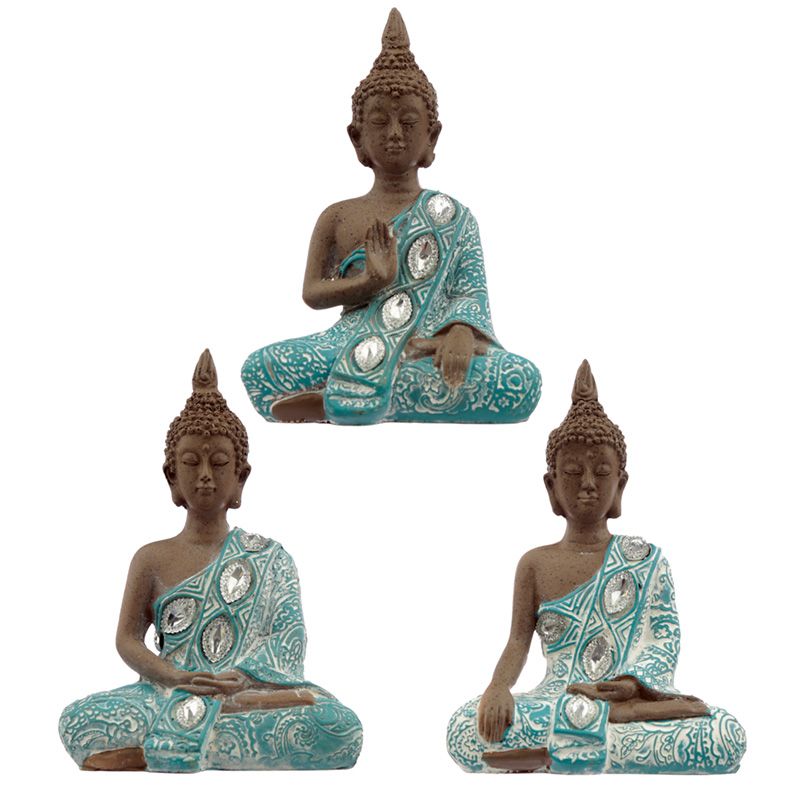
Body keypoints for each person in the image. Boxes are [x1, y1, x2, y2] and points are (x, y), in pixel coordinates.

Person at [59, 350, 362, 771]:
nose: (204, 474)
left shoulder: (270, 557)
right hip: (167, 691)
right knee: (77, 720)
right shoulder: (151, 558)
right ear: (171, 476)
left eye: (219, 463)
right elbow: (127, 641)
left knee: (338, 726)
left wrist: (242, 678)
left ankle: (160, 746)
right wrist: (173, 677)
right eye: (190, 463)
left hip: (242, 695)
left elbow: (289, 639)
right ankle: (204, 741)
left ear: (240, 477)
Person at [241, 9, 540, 424]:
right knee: (260, 369)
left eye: (409, 122)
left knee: (520, 380)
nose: (395, 133)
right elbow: (312, 292)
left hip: (424, 347)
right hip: (345, 341)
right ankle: (376, 392)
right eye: (380, 122)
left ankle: (337, 399)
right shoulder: (338, 216)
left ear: (432, 137)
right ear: (357, 138)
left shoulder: (453, 217)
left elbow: (469, 297)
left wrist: (459, 333)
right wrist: (369, 283)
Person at [446, 361, 746, 773]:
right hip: (557, 698)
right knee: (466, 728)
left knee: (722, 733)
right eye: (572, 472)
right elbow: (517, 642)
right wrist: (498, 687)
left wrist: (629, 686)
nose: (588, 483)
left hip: (624, 702)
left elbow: (664, 640)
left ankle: (561, 750)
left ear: (620, 485)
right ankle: (603, 740)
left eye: (602, 472)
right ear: (552, 486)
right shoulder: (534, 563)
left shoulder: (645, 560)